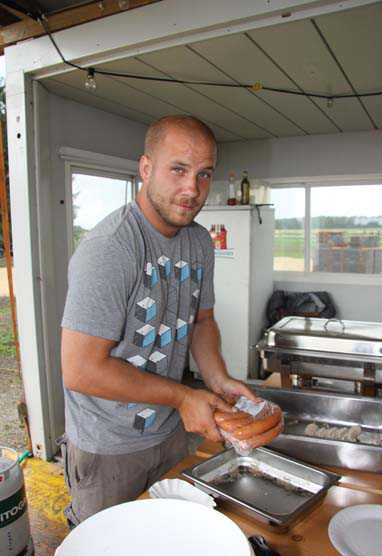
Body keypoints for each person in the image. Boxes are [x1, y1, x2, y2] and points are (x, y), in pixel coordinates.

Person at [60, 115, 281, 526]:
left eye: (204, 174)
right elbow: (80, 370)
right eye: (178, 169)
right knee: (112, 554)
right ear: (146, 169)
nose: (192, 189)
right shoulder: (110, 248)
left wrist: (217, 378)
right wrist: (182, 397)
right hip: (110, 447)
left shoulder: (198, 241)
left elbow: (202, 321)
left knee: (170, 538)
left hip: (172, 431)